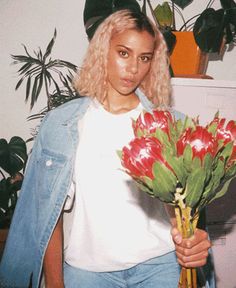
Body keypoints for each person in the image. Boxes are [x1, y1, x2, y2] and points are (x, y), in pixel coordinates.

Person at [0, 9, 214, 288]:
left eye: (144, 57)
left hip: (159, 264)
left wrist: (191, 240)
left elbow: (182, 209)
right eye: (123, 53)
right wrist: (55, 282)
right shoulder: (62, 124)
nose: (133, 68)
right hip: (88, 271)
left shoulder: (169, 124)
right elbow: (47, 213)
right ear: (103, 51)